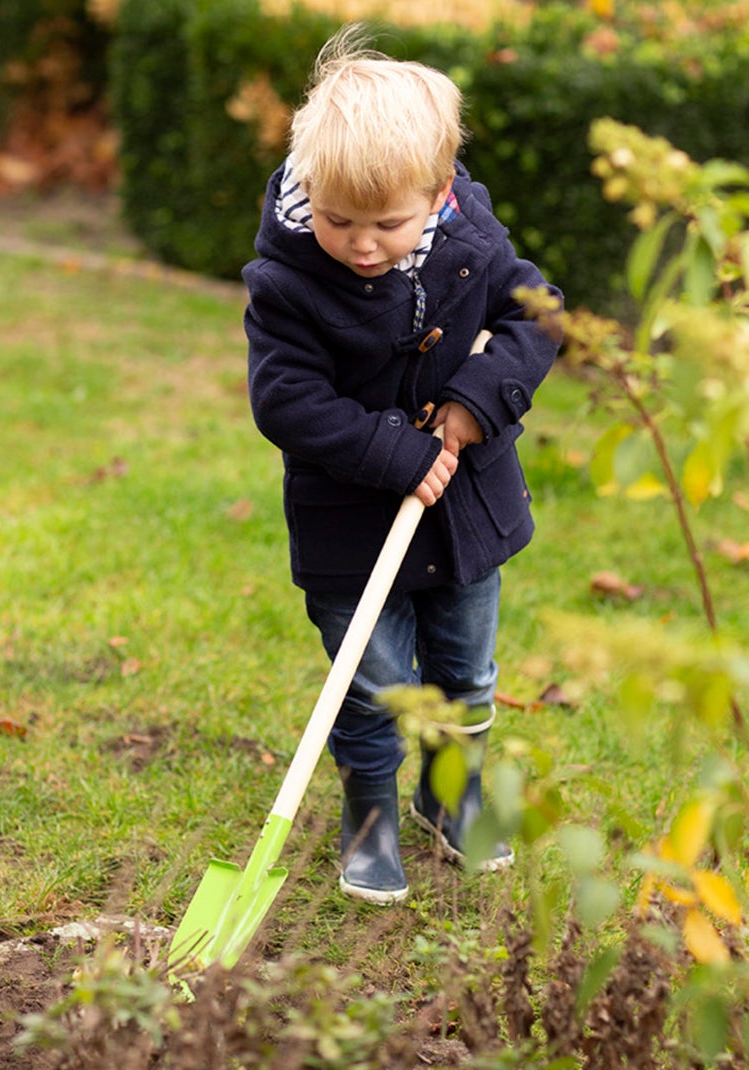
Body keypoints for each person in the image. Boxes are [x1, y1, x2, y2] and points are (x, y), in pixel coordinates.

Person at [243, 25, 563, 904]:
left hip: (465, 516)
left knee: (466, 673)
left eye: (388, 223)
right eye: (340, 219)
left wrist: (476, 400)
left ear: (438, 191)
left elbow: (541, 317)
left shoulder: (473, 243)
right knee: (372, 684)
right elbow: (287, 401)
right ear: (312, 187)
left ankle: (451, 800)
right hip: (351, 525)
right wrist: (399, 450)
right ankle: (371, 819)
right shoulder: (289, 283)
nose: (362, 243)